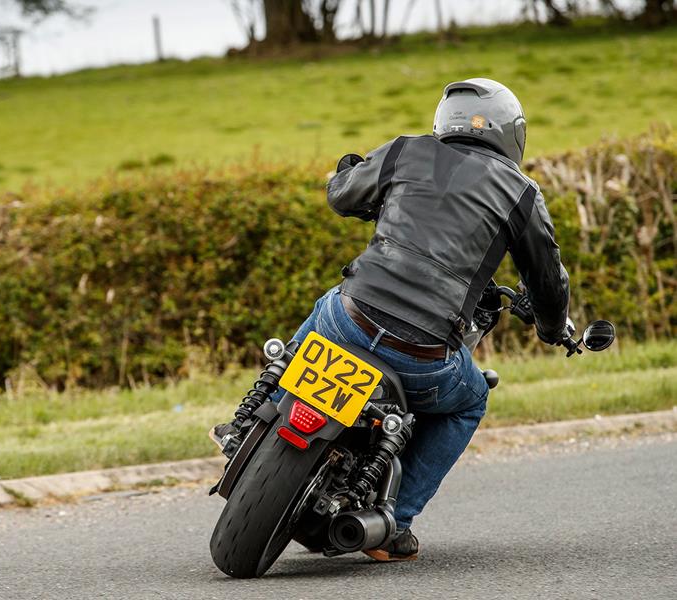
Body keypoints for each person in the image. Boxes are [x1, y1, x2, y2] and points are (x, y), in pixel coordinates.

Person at [213, 78, 571, 562]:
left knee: (329, 304)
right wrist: (552, 328)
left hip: (350, 321)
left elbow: (342, 194)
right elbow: (549, 281)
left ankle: (252, 424)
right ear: (513, 134)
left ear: (445, 121)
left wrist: (348, 171)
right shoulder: (521, 194)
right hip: (422, 355)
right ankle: (395, 521)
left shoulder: (407, 152)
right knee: (471, 400)